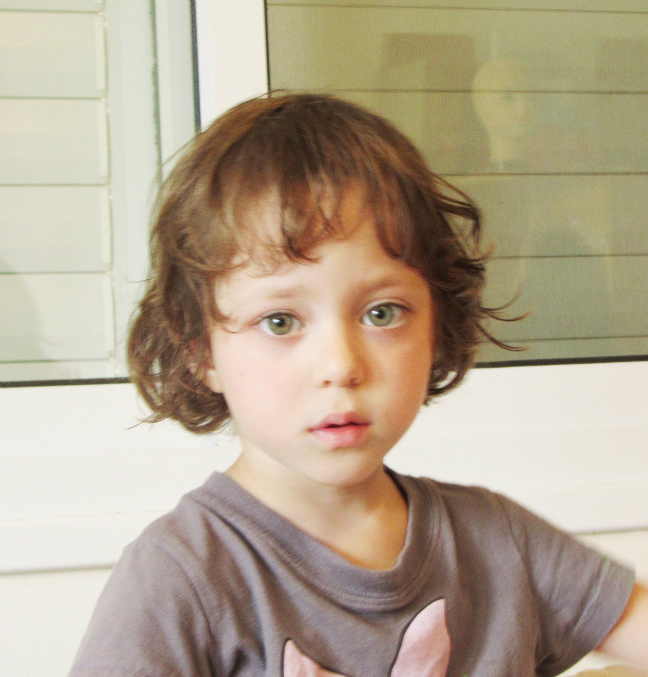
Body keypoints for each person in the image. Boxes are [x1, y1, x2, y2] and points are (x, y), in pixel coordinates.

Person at [68, 93, 648, 677]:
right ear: (200, 351)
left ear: (436, 325)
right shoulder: (178, 579)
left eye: (382, 313)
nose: (341, 364)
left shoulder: (498, 541)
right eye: (280, 321)